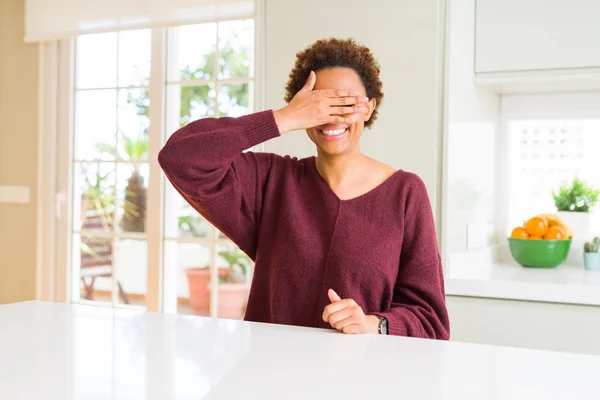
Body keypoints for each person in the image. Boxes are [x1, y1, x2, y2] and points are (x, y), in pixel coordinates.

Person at [159, 37, 450, 339]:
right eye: (320, 105)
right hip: (269, 374)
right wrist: (284, 118)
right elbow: (180, 157)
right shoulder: (271, 181)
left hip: (361, 380)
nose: (332, 116)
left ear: (369, 107)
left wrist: (374, 323)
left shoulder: (405, 193)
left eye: (347, 103)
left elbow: (431, 321)